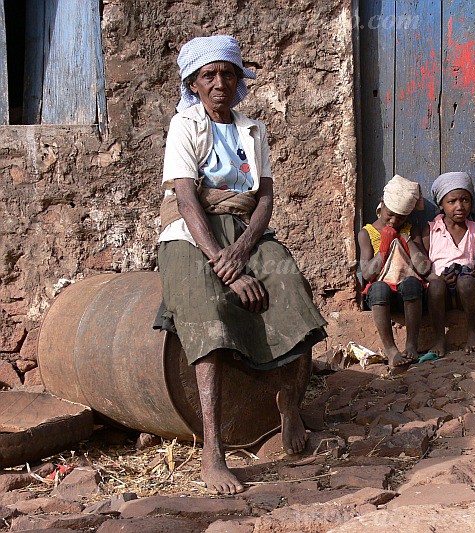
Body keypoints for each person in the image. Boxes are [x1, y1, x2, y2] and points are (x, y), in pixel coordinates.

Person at [157, 35, 327, 494]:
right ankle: (213, 451)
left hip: (246, 231)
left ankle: (289, 403)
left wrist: (246, 246)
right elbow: (188, 198)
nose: (219, 83)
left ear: (239, 81)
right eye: (208, 75)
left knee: (293, 291)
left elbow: (265, 195)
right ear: (192, 84)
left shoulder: (253, 130)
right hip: (194, 236)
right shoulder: (185, 125)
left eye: (228, 74)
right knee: (205, 310)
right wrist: (222, 261)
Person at [357, 175, 430, 366]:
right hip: (382, 296)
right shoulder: (367, 233)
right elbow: (366, 274)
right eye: (390, 213)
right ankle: (391, 350)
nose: (394, 220)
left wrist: (405, 240)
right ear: (382, 204)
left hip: (409, 293)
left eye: (401, 216)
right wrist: (384, 248)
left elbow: (423, 267)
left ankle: (411, 345)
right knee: (379, 288)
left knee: (413, 283)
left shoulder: (409, 230)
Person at [423, 172, 475, 356]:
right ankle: (439, 339)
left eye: (465, 200)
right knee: (435, 286)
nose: (460, 206)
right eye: (452, 201)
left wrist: (473, 273)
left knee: (466, 282)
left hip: (467, 293)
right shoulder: (431, 230)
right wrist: (437, 278)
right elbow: (422, 266)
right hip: (439, 294)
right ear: (441, 205)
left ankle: (473, 333)